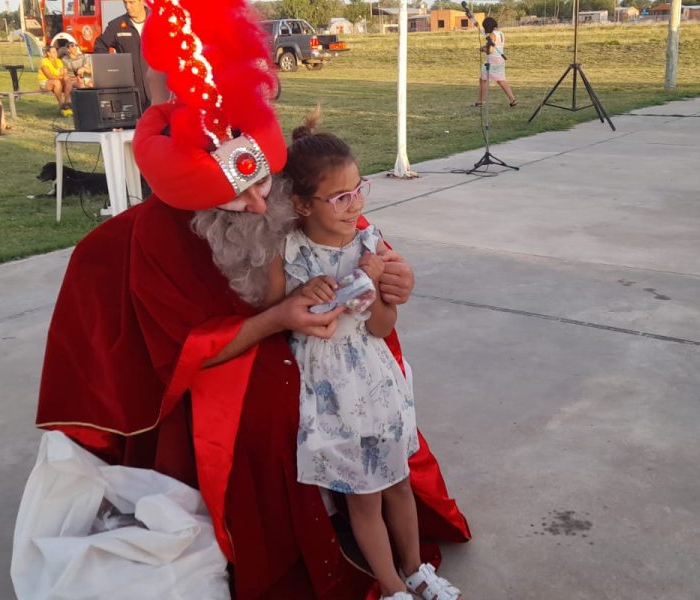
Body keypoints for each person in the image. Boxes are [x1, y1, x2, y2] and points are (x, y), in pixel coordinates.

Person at [34, 2, 470, 598]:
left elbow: (357, 245)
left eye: (265, 183)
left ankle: (387, 541)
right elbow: (183, 354)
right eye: (238, 197)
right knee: (266, 419)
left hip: (333, 354)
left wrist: (397, 279)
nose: (263, 206)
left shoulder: (287, 184)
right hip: (231, 365)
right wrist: (279, 318)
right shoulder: (147, 239)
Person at [265, 111, 465, 600]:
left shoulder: (370, 245)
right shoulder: (288, 253)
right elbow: (276, 319)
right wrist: (307, 295)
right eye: (340, 197)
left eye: (359, 190)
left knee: (398, 482)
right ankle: (392, 585)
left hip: (376, 380)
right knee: (363, 497)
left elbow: (382, 327)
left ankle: (416, 569)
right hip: (329, 392)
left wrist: (373, 287)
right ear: (301, 204)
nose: (354, 204)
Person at [93, 0, 168, 109]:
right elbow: (100, 46)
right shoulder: (116, 26)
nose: (128, 6)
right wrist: (111, 70)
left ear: (142, 2)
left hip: (159, 90)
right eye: (125, 3)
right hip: (131, 93)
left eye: (131, 2)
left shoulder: (160, 22)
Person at [476, 17, 518, 108]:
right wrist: (485, 47)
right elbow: (496, 46)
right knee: (501, 80)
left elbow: (490, 51)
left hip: (492, 60)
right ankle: (512, 99)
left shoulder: (492, 35)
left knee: (483, 79)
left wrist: (483, 49)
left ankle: (480, 102)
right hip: (500, 59)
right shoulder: (501, 33)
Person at [37, 45, 72, 117]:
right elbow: (49, 76)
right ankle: (61, 105)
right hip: (46, 81)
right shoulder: (44, 62)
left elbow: (63, 73)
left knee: (68, 80)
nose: (56, 53)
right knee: (57, 82)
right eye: (53, 52)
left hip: (57, 80)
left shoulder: (59, 61)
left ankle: (67, 103)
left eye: (56, 51)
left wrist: (64, 76)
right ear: (48, 53)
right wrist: (61, 77)